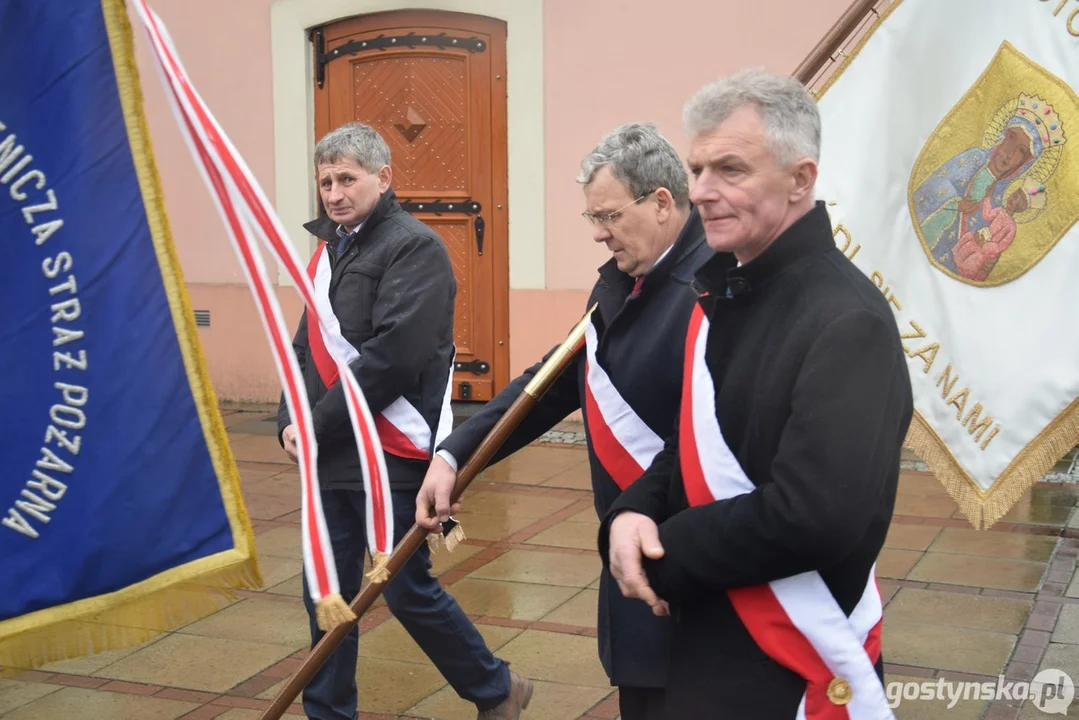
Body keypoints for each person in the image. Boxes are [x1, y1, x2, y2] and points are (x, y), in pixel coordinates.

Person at [600, 68, 914, 718]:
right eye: (697, 169)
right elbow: (692, 445)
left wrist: (664, 554)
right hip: (708, 644)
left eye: (730, 170)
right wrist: (632, 512)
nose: (702, 192)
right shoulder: (727, 290)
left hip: (786, 665)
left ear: (800, 179)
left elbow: (813, 514)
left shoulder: (846, 319)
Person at [415, 122, 725, 719]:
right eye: (592, 218)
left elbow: (708, 438)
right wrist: (455, 454)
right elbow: (554, 380)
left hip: (689, 568)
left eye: (607, 216)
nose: (597, 234)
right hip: (632, 550)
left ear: (662, 202)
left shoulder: (712, 290)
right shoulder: (624, 281)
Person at [277, 121, 532, 720]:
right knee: (326, 591)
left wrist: (315, 424)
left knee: (404, 586)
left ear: (383, 177)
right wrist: (291, 417)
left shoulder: (414, 247)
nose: (335, 193)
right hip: (329, 449)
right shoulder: (327, 251)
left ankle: (496, 689)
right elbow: (302, 348)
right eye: (326, 182)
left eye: (348, 178)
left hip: (388, 449)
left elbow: (393, 358)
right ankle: (329, 712)